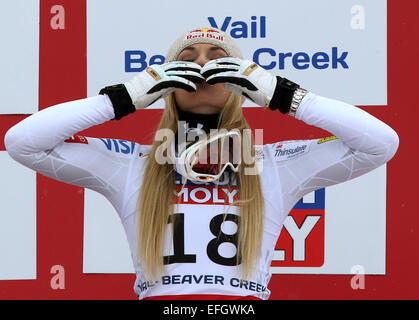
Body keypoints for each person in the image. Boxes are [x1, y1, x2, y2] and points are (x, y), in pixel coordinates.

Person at [4, 27, 399, 300]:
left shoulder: (272, 164)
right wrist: (124, 97)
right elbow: (23, 143)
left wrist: (283, 94)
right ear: (166, 85)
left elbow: (380, 144)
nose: (203, 67)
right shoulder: (133, 164)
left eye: (218, 59)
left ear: (243, 83)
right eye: (186, 61)